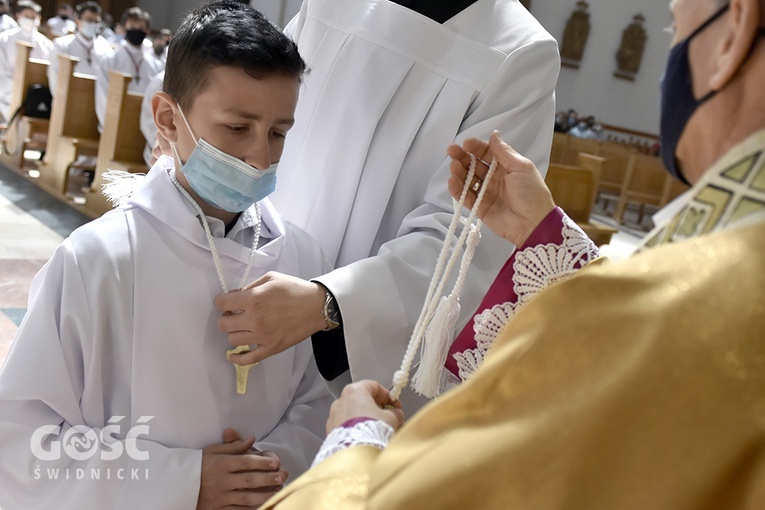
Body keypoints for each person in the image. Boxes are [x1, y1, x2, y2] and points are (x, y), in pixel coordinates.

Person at [260, 0, 765, 506]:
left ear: (733, 32)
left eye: (675, 27)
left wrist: (356, 440)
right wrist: (546, 239)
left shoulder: (704, 298)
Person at [0, 2, 332, 509]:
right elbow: (23, 443)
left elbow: (316, 401)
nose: (261, 158)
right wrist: (180, 481)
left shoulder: (301, 255)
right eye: (238, 128)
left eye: (278, 132)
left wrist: (262, 472)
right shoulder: (97, 262)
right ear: (167, 120)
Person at [214, 0, 561, 408]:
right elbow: (262, 110)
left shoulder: (519, 51)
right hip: (247, 274)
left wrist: (327, 302)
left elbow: (468, 235)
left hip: (349, 349)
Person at [94, 6, 162, 129]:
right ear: (124, 28)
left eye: (141, 28)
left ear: (148, 31)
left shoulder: (155, 65)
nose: (136, 31)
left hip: (143, 128)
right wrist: (109, 124)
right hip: (114, 124)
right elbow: (102, 95)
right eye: (132, 27)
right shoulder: (109, 60)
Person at [0, 0, 53, 122]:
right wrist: (17, 90)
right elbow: (2, 70)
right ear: (18, 15)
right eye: (26, 16)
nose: (30, 19)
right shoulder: (4, 39)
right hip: (7, 93)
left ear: (38, 17)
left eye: (33, 16)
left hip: (35, 95)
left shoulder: (47, 44)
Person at [46, 1, 111, 96]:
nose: (92, 24)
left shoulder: (104, 46)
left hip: (94, 100)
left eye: (96, 21)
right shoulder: (62, 44)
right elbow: (54, 76)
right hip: (68, 99)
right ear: (77, 20)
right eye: (89, 20)